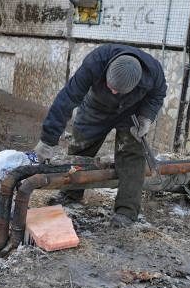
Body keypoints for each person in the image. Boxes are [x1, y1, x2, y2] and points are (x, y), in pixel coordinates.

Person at [34, 43, 167, 227]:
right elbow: (67, 98)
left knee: (131, 156)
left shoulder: (154, 72)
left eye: (118, 90)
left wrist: (146, 118)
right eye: (110, 86)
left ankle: (126, 212)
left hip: (130, 113)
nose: (113, 92)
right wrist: (47, 139)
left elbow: (157, 95)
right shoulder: (95, 62)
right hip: (94, 109)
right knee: (80, 150)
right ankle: (71, 194)